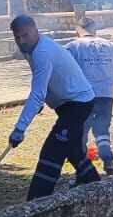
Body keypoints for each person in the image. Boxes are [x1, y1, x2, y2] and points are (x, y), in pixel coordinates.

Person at [8, 15, 99, 199]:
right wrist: (43, 100)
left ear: (36, 30)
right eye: (17, 37)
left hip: (78, 103)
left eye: (25, 35)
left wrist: (20, 128)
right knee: (72, 149)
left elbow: (37, 93)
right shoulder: (31, 49)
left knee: (53, 150)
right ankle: (96, 186)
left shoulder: (42, 52)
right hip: (68, 104)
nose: (22, 41)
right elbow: (46, 82)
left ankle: (36, 202)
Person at [66, 17, 113, 175]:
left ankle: (84, 168)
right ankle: (108, 160)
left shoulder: (72, 47)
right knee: (102, 128)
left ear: (77, 32)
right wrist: (112, 86)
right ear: (95, 29)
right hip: (106, 94)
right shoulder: (110, 45)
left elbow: (67, 72)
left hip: (83, 96)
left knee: (81, 130)